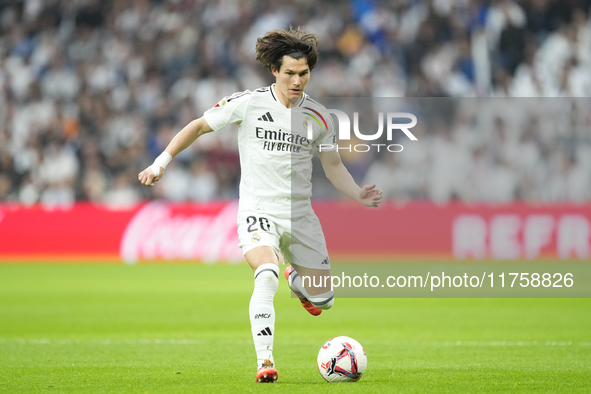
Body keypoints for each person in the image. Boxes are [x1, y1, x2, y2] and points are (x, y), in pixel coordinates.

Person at [138, 27, 382, 383]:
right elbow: (198, 126)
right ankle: (265, 361)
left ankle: (297, 280)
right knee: (265, 274)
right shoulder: (249, 103)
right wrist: (160, 162)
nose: (297, 80)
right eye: (290, 73)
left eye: (303, 73)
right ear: (274, 71)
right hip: (258, 210)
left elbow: (333, 167)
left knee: (324, 300)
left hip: (300, 215)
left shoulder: (320, 117)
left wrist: (357, 192)